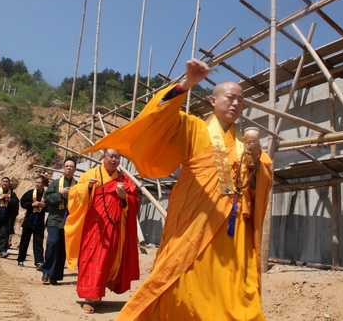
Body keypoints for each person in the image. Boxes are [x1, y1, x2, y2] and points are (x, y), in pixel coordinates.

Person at [81, 59, 273, 320]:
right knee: (186, 286)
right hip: (197, 224)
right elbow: (159, 116)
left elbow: (256, 186)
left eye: (241, 100)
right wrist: (187, 84)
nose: (236, 103)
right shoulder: (194, 128)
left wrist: (257, 162)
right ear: (213, 101)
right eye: (230, 97)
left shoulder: (247, 144)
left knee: (234, 289)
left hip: (234, 228)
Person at [65, 149, 140, 314]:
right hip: (94, 228)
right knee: (91, 260)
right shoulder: (90, 175)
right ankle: (88, 298)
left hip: (115, 227)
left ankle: (97, 294)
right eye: (111, 156)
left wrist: (124, 198)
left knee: (109, 261)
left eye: (117, 157)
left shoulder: (124, 179)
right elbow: (74, 196)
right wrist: (88, 187)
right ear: (103, 158)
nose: (114, 159)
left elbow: (135, 200)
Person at [42, 157, 77, 285]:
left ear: (75, 169)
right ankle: (47, 270)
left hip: (69, 220)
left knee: (62, 248)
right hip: (55, 219)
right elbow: (47, 199)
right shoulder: (56, 183)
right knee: (52, 243)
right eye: (67, 166)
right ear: (63, 168)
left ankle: (55, 275)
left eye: (71, 166)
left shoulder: (77, 185)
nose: (69, 168)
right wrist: (60, 194)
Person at [16, 176, 48, 268]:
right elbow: (22, 203)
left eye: (39, 183)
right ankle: (21, 259)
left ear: (44, 184)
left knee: (38, 242)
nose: (37, 184)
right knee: (24, 241)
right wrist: (31, 204)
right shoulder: (30, 193)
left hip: (39, 222)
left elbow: (50, 206)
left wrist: (44, 206)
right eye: (36, 182)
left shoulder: (46, 195)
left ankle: (39, 262)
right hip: (29, 220)